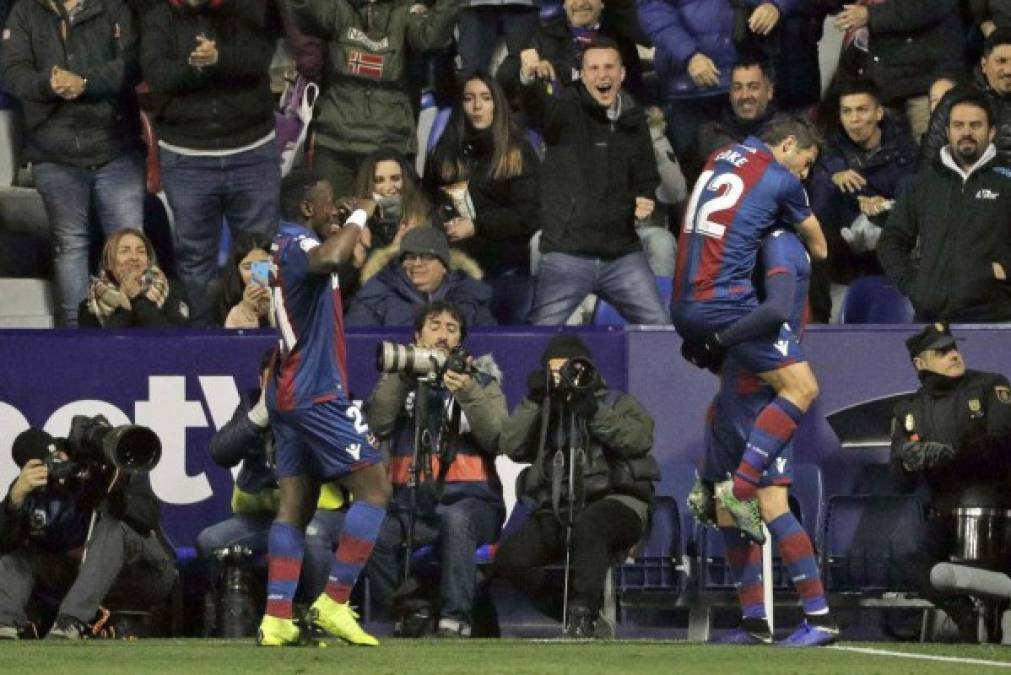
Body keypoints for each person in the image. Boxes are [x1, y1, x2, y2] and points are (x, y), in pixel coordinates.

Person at [672, 114, 827, 543]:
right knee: (802, 387)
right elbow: (821, 244)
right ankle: (740, 486)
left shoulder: (720, 155)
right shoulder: (780, 178)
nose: (805, 173)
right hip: (724, 307)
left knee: (730, 392)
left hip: (682, 303)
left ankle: (712, 486)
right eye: (806, 162)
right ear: (789, 144)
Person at [257, 168, 392, 647]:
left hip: (287, 393)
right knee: (375, 488)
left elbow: (328, 260)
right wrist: (360, 212)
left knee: (295, 506)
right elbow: (329, 259)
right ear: (304, 208)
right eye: (327, 201)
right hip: (315, 390)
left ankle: (276, 617)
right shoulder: (297, 247)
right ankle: (334, 602)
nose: (335, 208)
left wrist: (350, 224)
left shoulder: (284, 248)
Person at [692, 228, 837, 647]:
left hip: (763, 400)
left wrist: (719, 337)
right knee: (727, 507)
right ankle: (755, 620)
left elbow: (776, 315)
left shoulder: (782, 244)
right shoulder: (739, 252)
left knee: (771, 503)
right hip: (731, 397)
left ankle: (820, 616)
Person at [494, 334, 660, 638]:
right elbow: (511, 445)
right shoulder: (544, 409)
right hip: (558, 509)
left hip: (617, 505)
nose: (563, 379)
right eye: (554, 372)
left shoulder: (617, 402)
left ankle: (583, 614)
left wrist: (591, 410)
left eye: (569, 370)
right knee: (510, 558)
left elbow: (639, 439)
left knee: (590, 524)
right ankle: (574, 611)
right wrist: (533, 401)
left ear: (587, 369)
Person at [0, 0, 146, 327]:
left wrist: (84, 82)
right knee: (70, 247)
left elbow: (132, 64)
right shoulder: (25, 11)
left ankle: (140, 329)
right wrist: (48, 84)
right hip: (54, 153)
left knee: (130, 245)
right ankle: (75, 335)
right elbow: (12, 72)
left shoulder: (114, 7)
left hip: (116, 147)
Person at [365, 301, 506, 638]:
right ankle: (409, 610)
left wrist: (467, 390)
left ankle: (454, 621)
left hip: (473, 503)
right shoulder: (400, 378)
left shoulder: (481, 379)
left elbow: (499, 437)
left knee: (455, 520)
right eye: (435, 325)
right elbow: (378, 422)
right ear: (418, 335)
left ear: (460, 341)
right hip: (410, 506)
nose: (442, 335)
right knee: (368, 531)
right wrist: (403, 373)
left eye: (452, 328)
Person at [140, 0, 282, 327]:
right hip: (188, 158)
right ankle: (203, 336)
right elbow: (156, 73)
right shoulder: (158, 17)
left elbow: (259, 58)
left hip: (251, 152)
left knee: (260, 252)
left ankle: (263, 328)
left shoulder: (247, 9)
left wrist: (220, 59)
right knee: (194, 261)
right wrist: (196, 66)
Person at [519, 38, 668, 326]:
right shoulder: (566, 108)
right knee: (538, 338)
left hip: (622, 254)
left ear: (622, 74)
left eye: (610, 67)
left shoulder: (634, 116)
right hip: (567, 253)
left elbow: (647, 176)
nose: (603, 75)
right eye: (594, 68)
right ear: (583, 75)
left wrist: (644, 198)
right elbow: (538, 111)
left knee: (659, 330)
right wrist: (527, 79)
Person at [197, 349, 347, 608]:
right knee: (209, 542)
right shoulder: (251, 404)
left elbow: (343, 462)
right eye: (273, 382)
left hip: (320, 514)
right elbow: (220, 453)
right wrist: (258, 418)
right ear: (261, 382)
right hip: (265, 518)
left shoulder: (324, 404)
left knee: (311, 534)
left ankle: (321, 616)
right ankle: (231, 614)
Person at [889, 322, 1011, 640]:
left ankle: (993, 618)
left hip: (998, 510)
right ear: (920, 363)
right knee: (904, 555)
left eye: (954, 347)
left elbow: (1003, 445)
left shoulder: (990, 386)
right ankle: (962, 613)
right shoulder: (908, 410)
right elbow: (899, 484)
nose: (954, 355)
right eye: (942, 352)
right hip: (944, 514)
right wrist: (908, 462)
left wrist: (951, 454)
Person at [0, 418, 175, 639]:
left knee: (112, 527)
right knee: (18, 553)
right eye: (46, 463)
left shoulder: (111, 464)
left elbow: (147, 518)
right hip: (78, 576)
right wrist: (13, 500)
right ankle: (4, 625)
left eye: (58, 455)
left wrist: (102, 490)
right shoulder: (29, 487)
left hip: (144, 571)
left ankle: (68, 624)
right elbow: (4, 544)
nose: (57, 464)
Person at [287, 0, 460, 198]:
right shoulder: (338, 9)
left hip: (389, 141)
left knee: (390, 222)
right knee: (329, 219)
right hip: (335, 141)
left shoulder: (405, 11)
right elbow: (305, 8)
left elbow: (431, 38)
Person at [878, 89, 1011, 322]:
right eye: (958, 125)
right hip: (931, 322)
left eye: (975, 125)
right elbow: (891, 242)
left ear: (991, 133)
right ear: (947, 132)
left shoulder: (1006, 183)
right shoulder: (922, 184)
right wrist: (914, 286)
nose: (966, 132)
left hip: (995, 320)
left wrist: (1000, 271)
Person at [636, 0, 795, 174]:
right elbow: (652, 7)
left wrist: (775, 5)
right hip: (689, 89)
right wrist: (688, 54)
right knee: (696, 176)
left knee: (760, 172)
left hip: (747, 79)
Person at [807, 78, 918, 320]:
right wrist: (838, 182)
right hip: (844, 251)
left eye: (862, 110)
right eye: (847, 111)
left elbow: (908, 190)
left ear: (878, 113)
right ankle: (818, 319)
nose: (854, 120)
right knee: (823, 198)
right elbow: (819, 198)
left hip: (893, 239)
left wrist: (882, 205)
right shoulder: (829, 151)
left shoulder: (905, 148)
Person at [424, 72, 540, 278]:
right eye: (469, 99)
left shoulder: (518, 151)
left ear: (497, 104)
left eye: (486, 98)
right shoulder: (447, 148)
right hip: (447, 245)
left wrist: (477, 226)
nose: (477, 106)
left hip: (499, 250)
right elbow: (427, 197)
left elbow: (529, 214)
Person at [832, 0, 963, 140]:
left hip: (925, 84)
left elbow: (928, 6)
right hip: (884, 83)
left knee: (929, 147)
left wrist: (870, 14)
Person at [345, 226, 497, 328]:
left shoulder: (469, 295)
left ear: (444, 266)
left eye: (426, 257)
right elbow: (358, 345)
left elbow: (489, 344)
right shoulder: (376, 295)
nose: (417, 264)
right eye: (410, 257)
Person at [496, 0, 644, 102]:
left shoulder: (621, 41)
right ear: (564, 4)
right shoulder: (542, 37)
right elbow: (513, 90)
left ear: (603, 2)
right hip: (556, 129)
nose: (580, 3)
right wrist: (527, 76)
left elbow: (635, 95)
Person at [922, 29, 1011, 166]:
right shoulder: (955, 100)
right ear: (984, 65)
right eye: (1001, 61)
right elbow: (932, 158)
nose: (1008, 70)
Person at [78, 228, 190, 328]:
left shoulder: (173, 291)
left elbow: (169, 340)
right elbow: (109, 346)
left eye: (141, 251)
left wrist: (137, 298)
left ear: (148, 261)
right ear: (109, 263)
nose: (134, 257)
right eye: (124, 251)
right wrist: (124, 307)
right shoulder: (89, 307)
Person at [695, 56, 779, 179]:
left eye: (753, 87)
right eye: (737, 87)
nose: (745, 96)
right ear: (730, 93)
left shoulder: (785, 134)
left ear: (770, 91)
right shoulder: (711, 134)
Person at [210, 232, 273, 329]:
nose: (256, 274)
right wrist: (246, 310)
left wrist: (274, 308)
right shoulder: (220, 293)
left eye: (263, 265)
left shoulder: (290, 290)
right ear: (237, 269)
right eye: (248, 267)